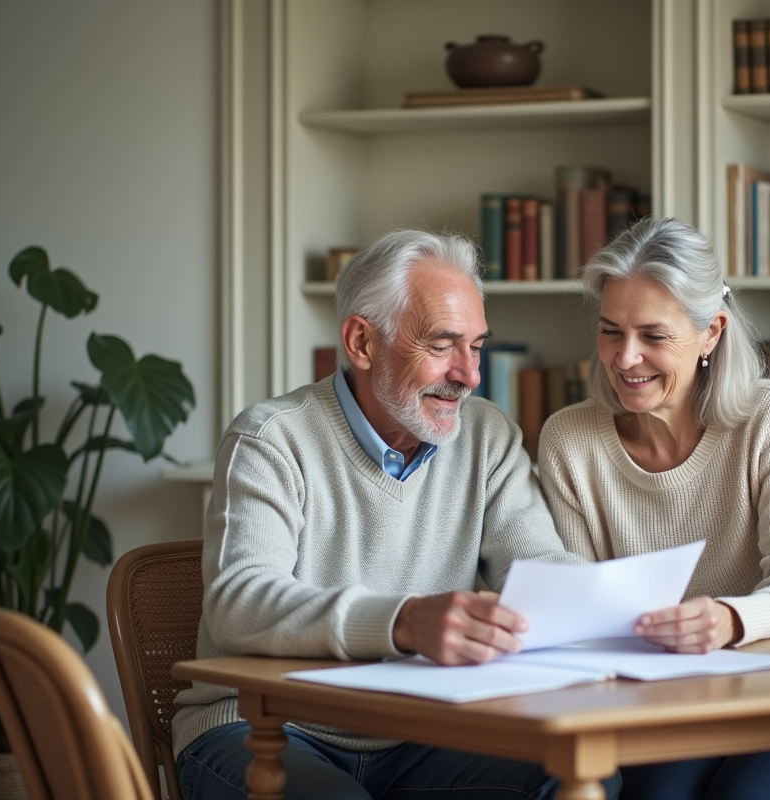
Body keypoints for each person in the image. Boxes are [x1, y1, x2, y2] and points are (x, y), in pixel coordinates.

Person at [173, 228, 620, 800]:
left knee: (581, 773)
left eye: (477, 346)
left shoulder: (488, 437)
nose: (470, 374)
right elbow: (239, 602)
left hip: (419, 732)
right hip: (262, 727)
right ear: (362, 342)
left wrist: (610, 602)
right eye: (442, 345)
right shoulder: (270, 439)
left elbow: (534, 563)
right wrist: (405, 622)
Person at [537, 216, 770, 800]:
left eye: (654, 336)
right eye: (611, 331)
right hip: (687, 697)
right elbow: (583, 613)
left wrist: (730, 619)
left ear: (711, 333)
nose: (625, 357)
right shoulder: (570, 440)